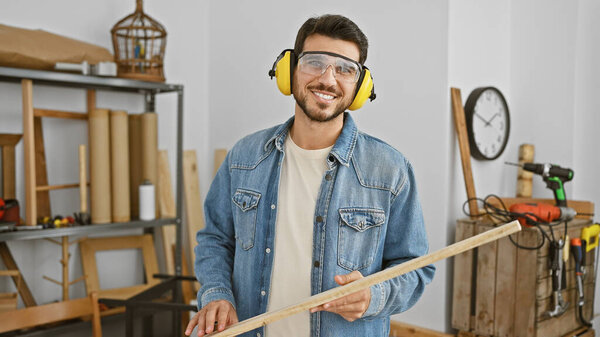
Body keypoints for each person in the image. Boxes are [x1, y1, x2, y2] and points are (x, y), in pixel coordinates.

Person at [185, 14, 435, 337]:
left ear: (360, 87)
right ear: (290, 71)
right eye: (315, 62)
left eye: (346, 69)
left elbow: (415, 269)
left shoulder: (390, 171)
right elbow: (215, 240)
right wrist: (216, 293)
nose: (328, 80)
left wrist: (375, 295)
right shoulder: (244, 159)